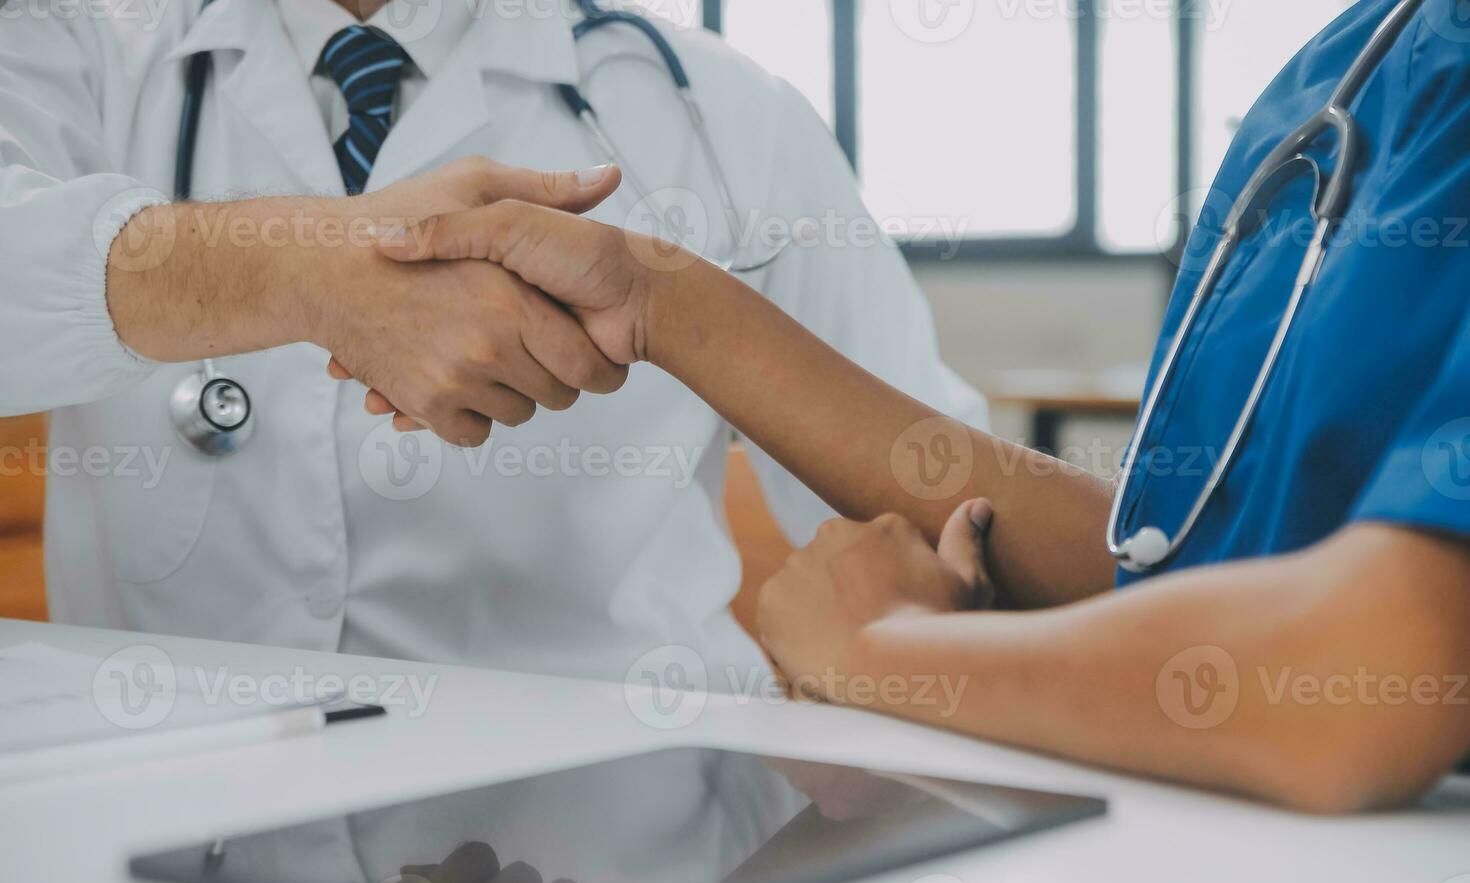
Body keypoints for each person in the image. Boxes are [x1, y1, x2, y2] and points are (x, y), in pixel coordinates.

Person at [353, 0, 1470, 812]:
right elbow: (1177, 565)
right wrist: (662, 298)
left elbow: (1375, 669)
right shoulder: (1352, 64)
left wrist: (886, 652)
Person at [0, 0, 984, 688]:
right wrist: (301, 268)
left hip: (621, 847)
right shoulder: (72, 47)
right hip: (175, 838)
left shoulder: (717, 112)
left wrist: (885, 684)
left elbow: (944, 506)